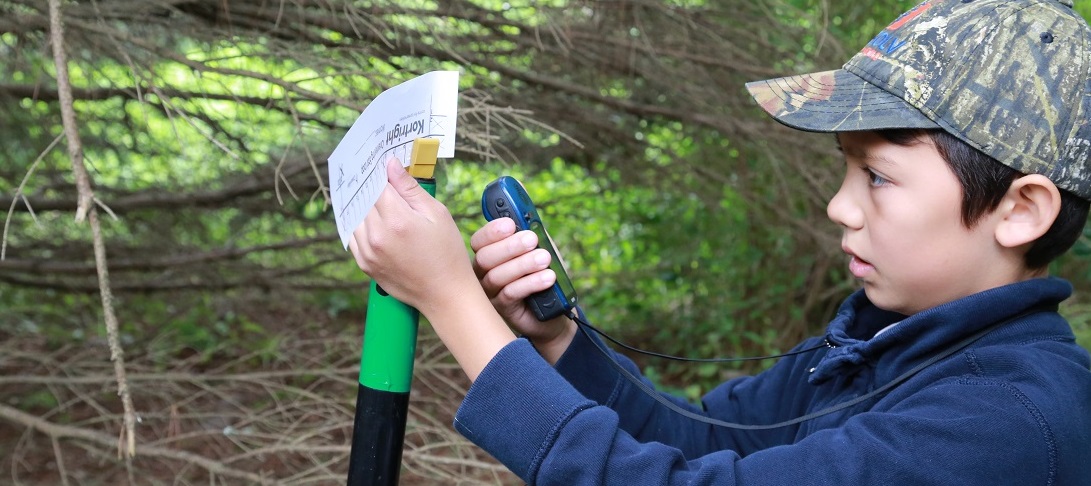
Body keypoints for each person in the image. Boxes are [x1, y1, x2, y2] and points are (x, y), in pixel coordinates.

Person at [348, 0, 1091, 483]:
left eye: (878, 177)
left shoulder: (1005, 422)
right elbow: (705, 441)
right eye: (844, 170)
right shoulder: (876, 340)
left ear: (1020, 211)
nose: (840, 207)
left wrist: (451, 301)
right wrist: (554, 344)